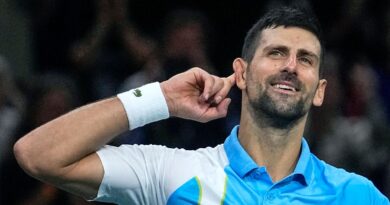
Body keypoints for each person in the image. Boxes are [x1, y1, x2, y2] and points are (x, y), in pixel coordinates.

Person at [13, 6, 389, 204]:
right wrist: (159, 98)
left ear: (320, 90)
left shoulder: (357, 195)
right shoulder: (172, 173)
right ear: (240, 74)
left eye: (305, 59)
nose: (291, 66)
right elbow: (39, 155)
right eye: (276, 53)